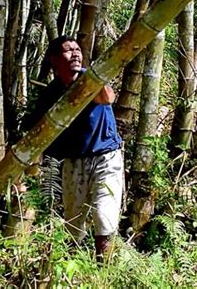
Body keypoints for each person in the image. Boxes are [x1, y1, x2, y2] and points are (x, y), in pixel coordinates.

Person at [25, 35, 123, 260]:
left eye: (78, 49)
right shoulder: (52, 92)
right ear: (54, 60)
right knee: (73, 220)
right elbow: (37, 128)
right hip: (73, 160)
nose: (76, 53)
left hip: (105, 156)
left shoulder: (91, 78)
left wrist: (92, 78)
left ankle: (104, 270)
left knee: (103, 215)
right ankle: (72, 266)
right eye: (68, 50)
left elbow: (107, 98)